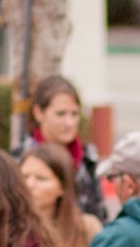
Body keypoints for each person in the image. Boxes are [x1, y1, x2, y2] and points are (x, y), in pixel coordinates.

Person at [21, 73, 105, 219]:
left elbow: (99, 214)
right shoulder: (20, 159)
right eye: (61, 114)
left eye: (74, 114)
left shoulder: (88, 158)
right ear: (38, 113)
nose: (69, 123)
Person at [22, 141, 101, 247]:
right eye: (24, 176)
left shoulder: (87, 229)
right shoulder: (10, 230)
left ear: (62, 187)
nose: (29, 185)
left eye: (41, 179)